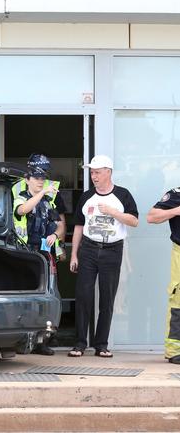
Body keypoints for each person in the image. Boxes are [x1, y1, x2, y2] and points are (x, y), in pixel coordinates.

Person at [68, 155, 139, 358]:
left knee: (107, 299)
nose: (94, 176)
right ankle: (80, 344)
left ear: (109, 172)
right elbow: (79, 227)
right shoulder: (87, 196)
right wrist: (74, 254)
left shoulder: (123, 195)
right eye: (92, 172)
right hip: (88, 250)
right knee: (83, 296)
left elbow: (134, 221)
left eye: (97, 172)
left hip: (112, 250)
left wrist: (113, 212)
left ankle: (101, 345)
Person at [13, 154, 66, 355]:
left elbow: (60, 226)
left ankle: (43, 341)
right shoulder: (22, 197)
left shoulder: (48, 202)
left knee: (47, 298)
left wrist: (55, 235)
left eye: (42, 179)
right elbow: (23, 210)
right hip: (26, 256)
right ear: (27, 180)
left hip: (45, 256)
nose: (40, 181)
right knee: (26, 299)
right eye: (36, 179)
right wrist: (42, 192)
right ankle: (23, 340)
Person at [146, 188, 180, 365]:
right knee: (178, 301)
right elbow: (151, 217)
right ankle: (174, 351)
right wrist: (176, 211)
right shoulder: (177, 194)